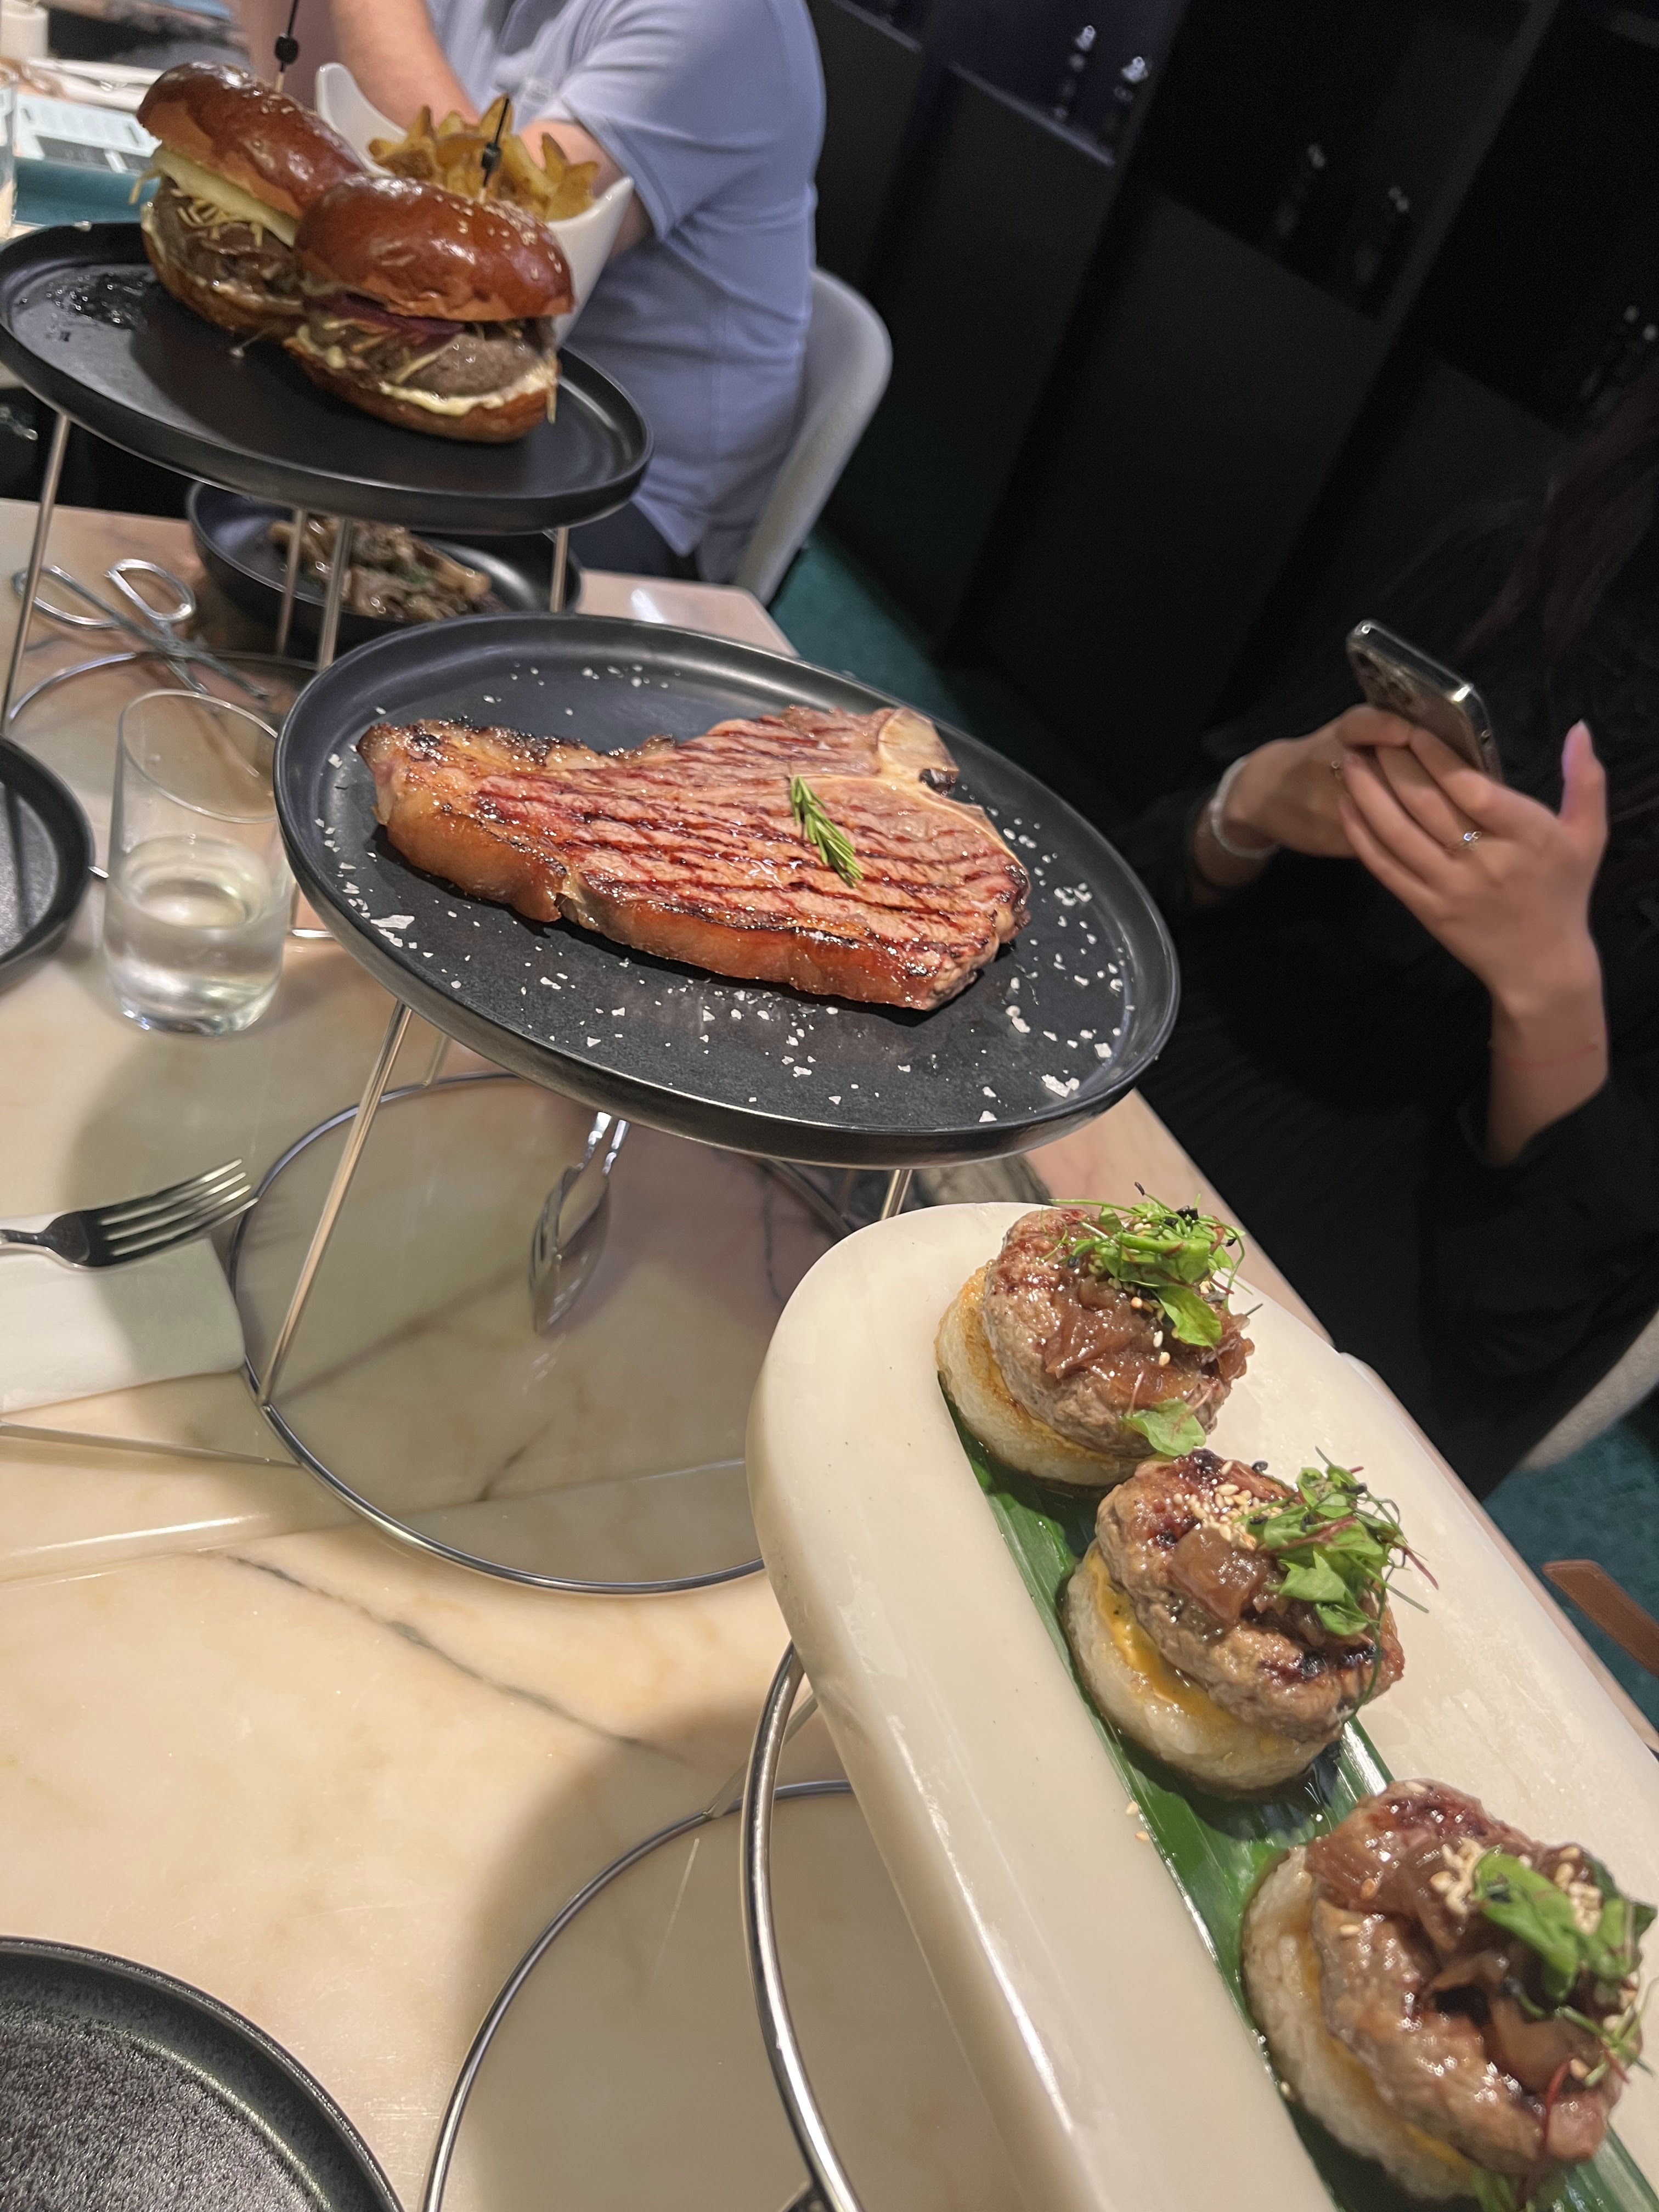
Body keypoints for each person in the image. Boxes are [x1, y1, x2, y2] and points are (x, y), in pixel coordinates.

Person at [1119, 362, 1659, 1496]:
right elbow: (1142, 879)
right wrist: (1254, 802)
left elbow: (1522, 1326)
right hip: (1164, 1069)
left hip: (1373, 1299)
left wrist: (1547, 995)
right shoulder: (1534, 545)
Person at [236, 0, 824, 580]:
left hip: (617, 492)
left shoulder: (724, 18)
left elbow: (489, 251)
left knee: (252, 535)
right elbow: (318, 132)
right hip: (436, 399)